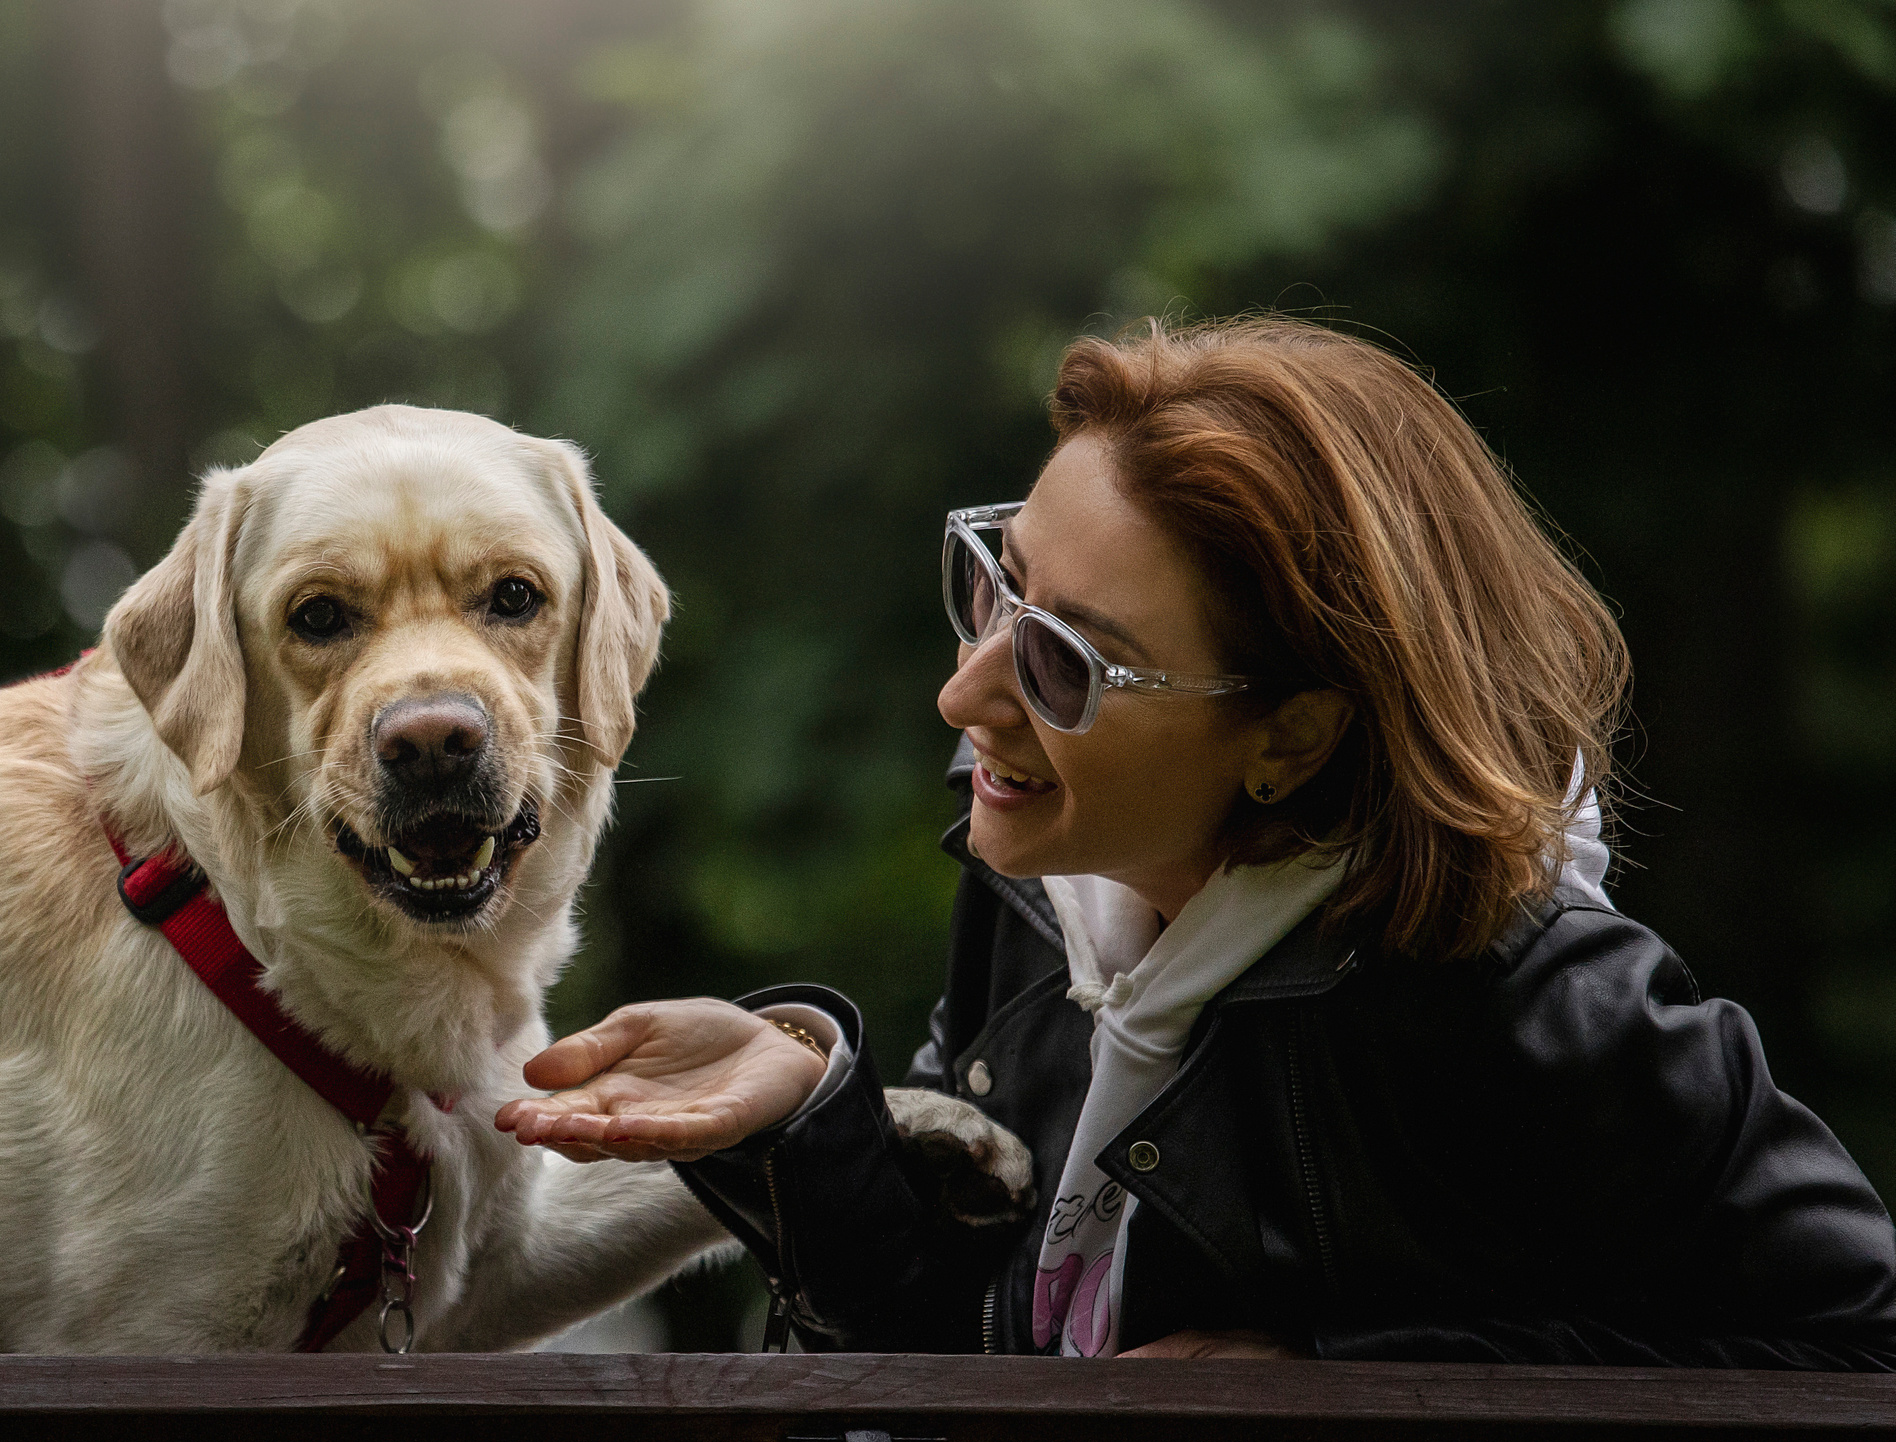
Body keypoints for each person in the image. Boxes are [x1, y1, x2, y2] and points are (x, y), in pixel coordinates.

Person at [494, 314, 1896, 1370]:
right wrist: (805, 1119)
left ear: (1292, 736)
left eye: (1063, 664)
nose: (963, 690)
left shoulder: (1536, 1002)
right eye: (994, 588)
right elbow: (962, 1352)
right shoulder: (1043, 908)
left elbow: (1853, 1350)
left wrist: (1326, 1414)